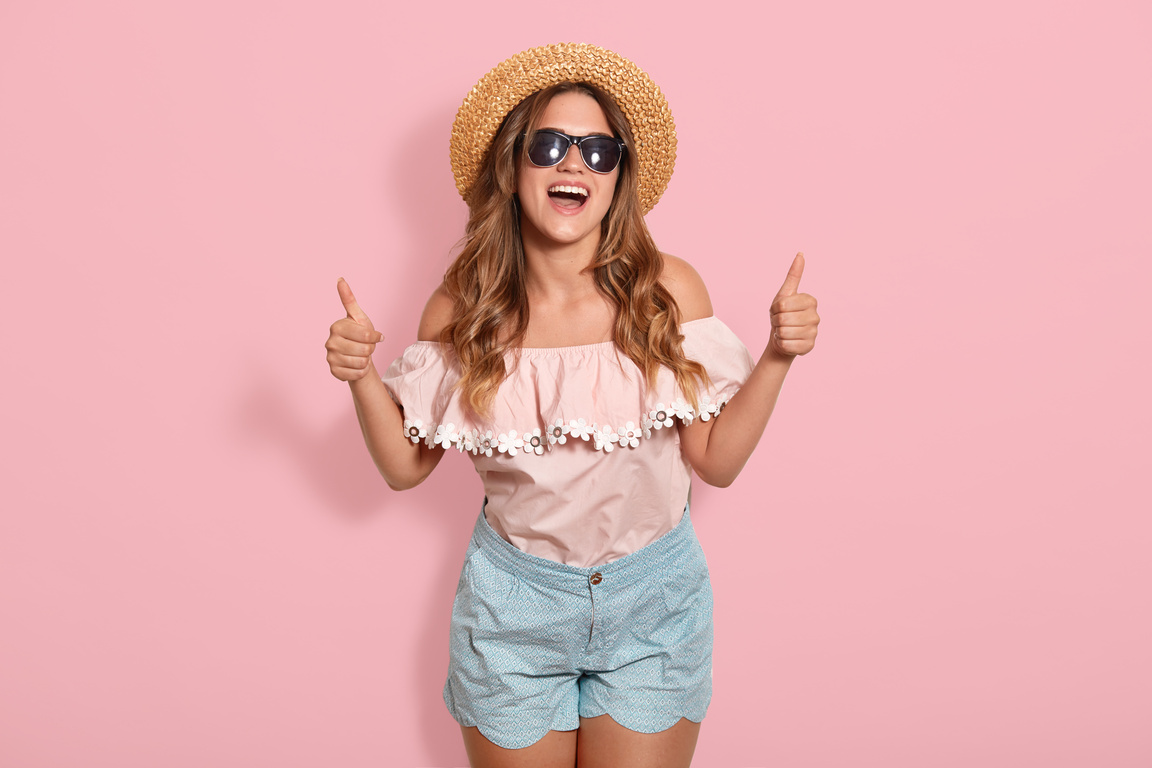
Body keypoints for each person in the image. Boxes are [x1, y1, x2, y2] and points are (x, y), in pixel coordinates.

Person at [324, 43, 819, 768]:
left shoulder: (669, 291)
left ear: (618, 178)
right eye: (550, 145)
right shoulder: (462, 308)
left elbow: (717, 463)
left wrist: (777, 357)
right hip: (512, 605)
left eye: (598, 151)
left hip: (653, 598)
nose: (573, 164)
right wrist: (361, 376)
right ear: (513, 167)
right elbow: (403, 467)